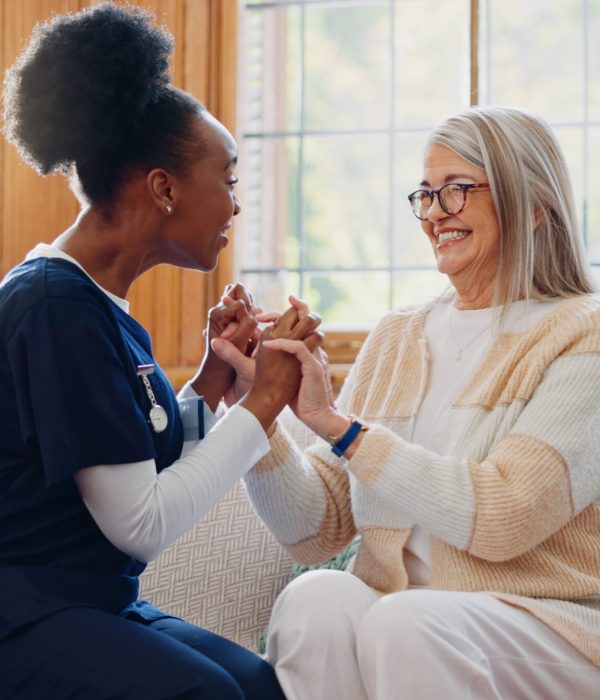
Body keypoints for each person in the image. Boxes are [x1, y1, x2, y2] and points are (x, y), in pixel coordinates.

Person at [212, 106, 600, 699]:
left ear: (536, 204)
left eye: (458, 190)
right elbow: (315, 531)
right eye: (426, 194)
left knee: (408, 620)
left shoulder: (583, 334)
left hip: (551, 624)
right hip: (413, 616)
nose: (436, 214)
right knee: (317, 596)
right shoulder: (397, 336)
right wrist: (257, 411)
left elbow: (506, 514)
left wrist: (341, 428)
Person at [0, 4, 321, 699]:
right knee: (210, 695)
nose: (236, 206)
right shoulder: (55, 308)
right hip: (25, 617)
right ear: (163, 188)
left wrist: (209, 382)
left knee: (255, 684)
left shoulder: (98, 305)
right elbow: (139, 523)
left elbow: (132, 453)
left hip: (85, 604)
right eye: (230, 181)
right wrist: (262, 404)